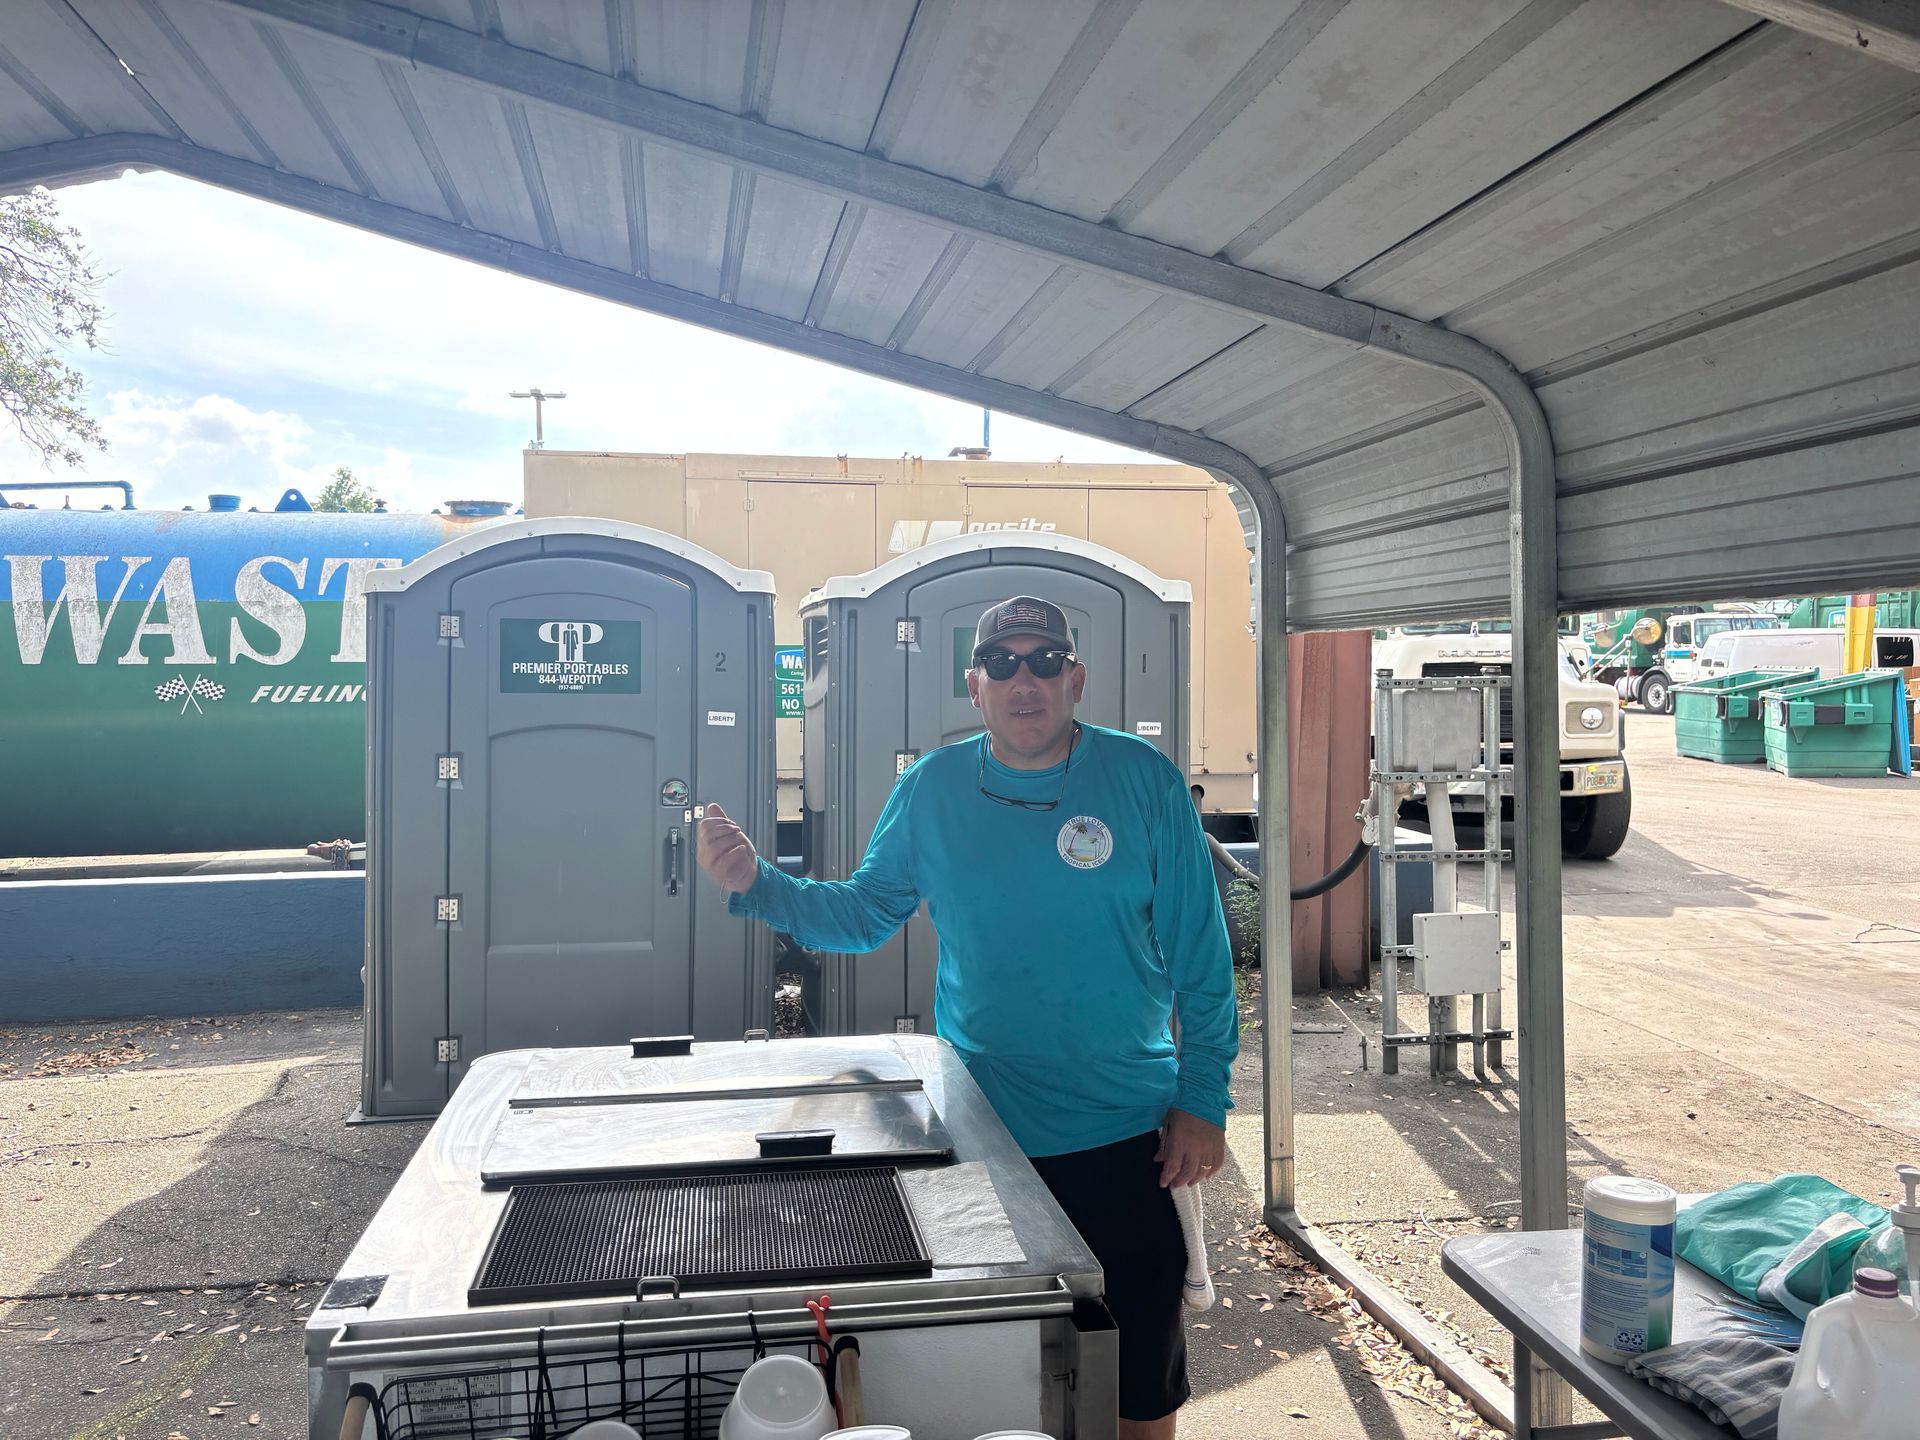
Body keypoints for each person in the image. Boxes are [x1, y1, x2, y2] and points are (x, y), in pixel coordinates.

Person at [697, 594, 1238, 1439]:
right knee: (996, 1367)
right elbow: (867, 913)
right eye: (1004, 664)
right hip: (983, 1129)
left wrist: (1203, 1100)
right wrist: (759, 885)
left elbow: (1202, 959)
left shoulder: (1143, 781)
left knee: (1138, 1380)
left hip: (1125, 1126)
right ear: (975, 687)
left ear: (1076, 679)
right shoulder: (932, 789)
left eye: (1046, 661)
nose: (1026, 680)